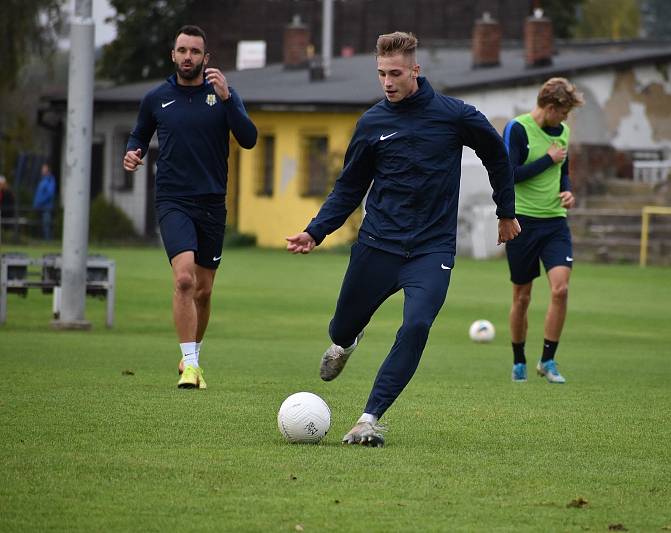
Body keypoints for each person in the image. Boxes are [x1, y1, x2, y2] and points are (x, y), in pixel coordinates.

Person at [286, 31, 520, 447]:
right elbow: (349, 187)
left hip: (431, 250)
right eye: (381, 74)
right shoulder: (373, 122)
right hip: (377, 245)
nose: (388, 82)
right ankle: (348, 341)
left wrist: (506, 212)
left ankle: (368, 418)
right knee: (340, 329)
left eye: (395, 73)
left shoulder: (455, 115)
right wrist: (315, 230)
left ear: (416, 70)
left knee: (416, 326)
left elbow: (496, 156)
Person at [123, 25, 257, 389]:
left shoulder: (224, 95)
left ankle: (192, 356)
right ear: (173, 55)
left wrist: (229, 99)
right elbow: (139, 134)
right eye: (182, 50)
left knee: (204, 290)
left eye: (195, 52)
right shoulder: (156, 98)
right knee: (184, 279)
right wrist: (133, 152)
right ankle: (193, 366)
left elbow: (249, 139)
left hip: (212, 202)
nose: (188, 57)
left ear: (206, 58)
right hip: (172, 199)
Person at [502, 77, 584, 384]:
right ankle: (519, 359)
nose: (565, 119)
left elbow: (563, 172)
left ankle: (548, 360)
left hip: (554, 223)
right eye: (563, 112)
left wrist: (568, 192)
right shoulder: (517, 128)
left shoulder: (563, 132)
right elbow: (508, 175)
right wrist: (546, 159)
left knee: (561, 290)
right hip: (522, 222)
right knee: (522, 297)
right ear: (550, 107)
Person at [33, 164, 56, 240]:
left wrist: (40, 202)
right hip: (40, 207)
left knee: (46, 225)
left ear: (47, 170)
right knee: (42, 225)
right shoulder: (43, 180)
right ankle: (44, 241)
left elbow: (50, 194)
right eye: (42, 169)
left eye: (44, 169)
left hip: (46, 207)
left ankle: (48, 241)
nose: (42, 171)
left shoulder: (50, 180)